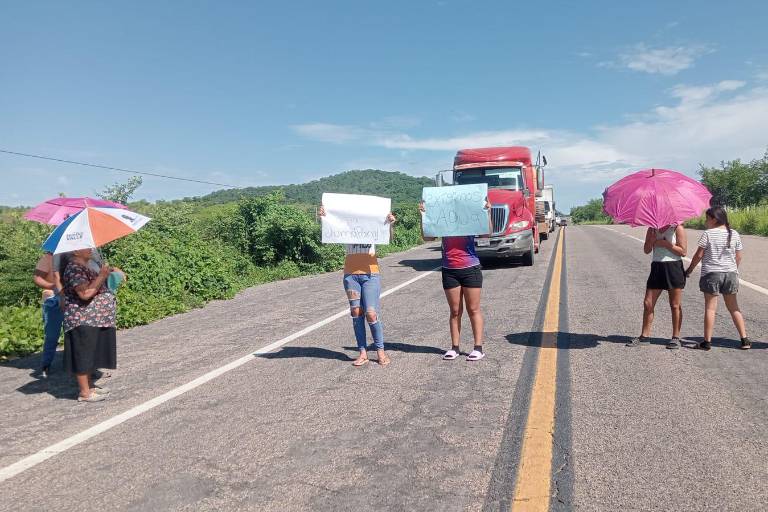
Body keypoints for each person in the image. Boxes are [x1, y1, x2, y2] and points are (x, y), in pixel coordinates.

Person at [318, 206, 396, 367]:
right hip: (351, 274)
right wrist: (325, 219)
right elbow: (331, 231)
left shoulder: (373, 224)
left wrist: (390, 224)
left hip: (370, 274)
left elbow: (388, 239)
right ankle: (362, 352)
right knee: (356, 312)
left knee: (371, 313)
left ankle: (380, 351)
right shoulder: (346, 225)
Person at [419, 200, 492, 361]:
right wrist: (423, 215)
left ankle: (478, 347)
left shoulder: (469, 219)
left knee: (473, 309)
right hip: (449, 269)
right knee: (455, 311)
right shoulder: (443, 221)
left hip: (470, 268)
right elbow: (427, 238)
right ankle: (454, 347)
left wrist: (487, 212)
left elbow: (487, 234)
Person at [685, 206, 751, 350]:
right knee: (734, 308)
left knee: (710, 308)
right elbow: (738, 256)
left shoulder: (708, 234)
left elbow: (698, 255)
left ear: (714, 219)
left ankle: (707, 342)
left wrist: (689, 270)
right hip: (731, 274)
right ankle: (744, 340)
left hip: (711, 274)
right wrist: (732, 270)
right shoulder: (734, 233)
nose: (705, 221)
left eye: (707, 219)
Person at [61, 248, 119, 402]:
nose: (90, 250)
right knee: (83, 354)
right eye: (85, 247)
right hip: (82, 318)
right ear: (75, 252)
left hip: (93, 319)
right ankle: (84, 392)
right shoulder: (74, 269)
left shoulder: (84, 267)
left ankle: (90, 387)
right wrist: (102, 275)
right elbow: (85, 293)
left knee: (90, 353)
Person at [626, 223, 688, 349]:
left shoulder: (677, 228)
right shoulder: (652, 229)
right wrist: (652, 240)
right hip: (657, 267)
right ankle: (644, 336)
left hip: (673, 267)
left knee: (675, 305)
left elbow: (683, 251)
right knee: (648, 303)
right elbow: (646, 250)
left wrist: (666, 244)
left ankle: (676, 338)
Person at [32, 252, 64, 377]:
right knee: (51, 334)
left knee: (74, 333)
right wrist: (53, 285)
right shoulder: (49, 257)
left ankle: (79, 365)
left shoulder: (76, 255)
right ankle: (46, 365)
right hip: (52, 298)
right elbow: (37, 278)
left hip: (71, 298)